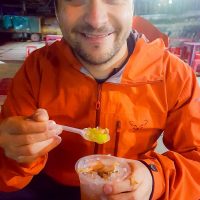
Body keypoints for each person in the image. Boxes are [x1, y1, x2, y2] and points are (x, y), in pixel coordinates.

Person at [0, 0, 199, 199]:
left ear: (133, 5)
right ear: (57, 8)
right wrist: (17, 154)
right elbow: (6, 175)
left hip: (133, 189)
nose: (96, 20)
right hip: (47, 185)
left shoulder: (174, 75)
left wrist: (155, 179)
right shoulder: (36, 69)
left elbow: (195, 164)